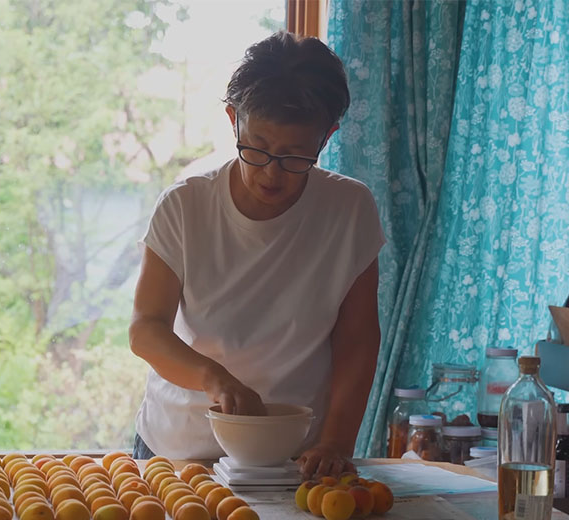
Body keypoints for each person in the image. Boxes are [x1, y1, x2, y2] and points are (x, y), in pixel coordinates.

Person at [129, 31, 384, 480]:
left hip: (294, 455)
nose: (271, 173)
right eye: (257, 147)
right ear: (233, 120)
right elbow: (146, 330)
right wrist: (214, 378)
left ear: (327, 137)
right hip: (180, 449)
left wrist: (337, 441)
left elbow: (358, 339)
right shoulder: (185, 206)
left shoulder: (349, 209)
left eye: (293, 156)